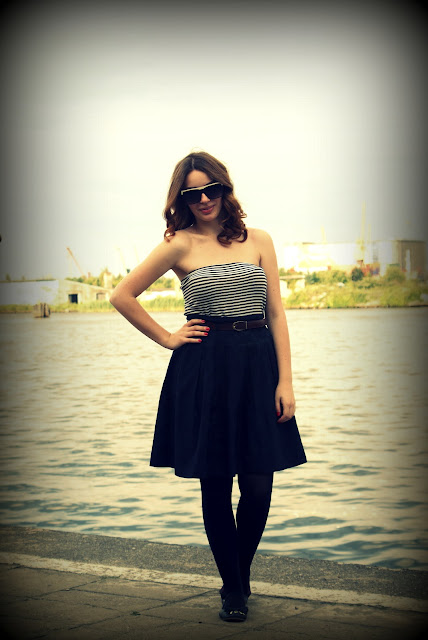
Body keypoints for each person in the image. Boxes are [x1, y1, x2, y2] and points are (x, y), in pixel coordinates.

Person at [109, 151, 307, 623]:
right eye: (192, 193)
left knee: (258, 486)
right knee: (216, 484)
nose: (203, 199)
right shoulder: (178, 244)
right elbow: (121, 295)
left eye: (210, 189)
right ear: (182, 199)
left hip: (258, 366)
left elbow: (277, 313)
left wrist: (286, 380)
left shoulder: (259, 240)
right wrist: (168, 338)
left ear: (224, 189)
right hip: (205, 370)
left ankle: (239, 572)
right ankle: (233, 589)